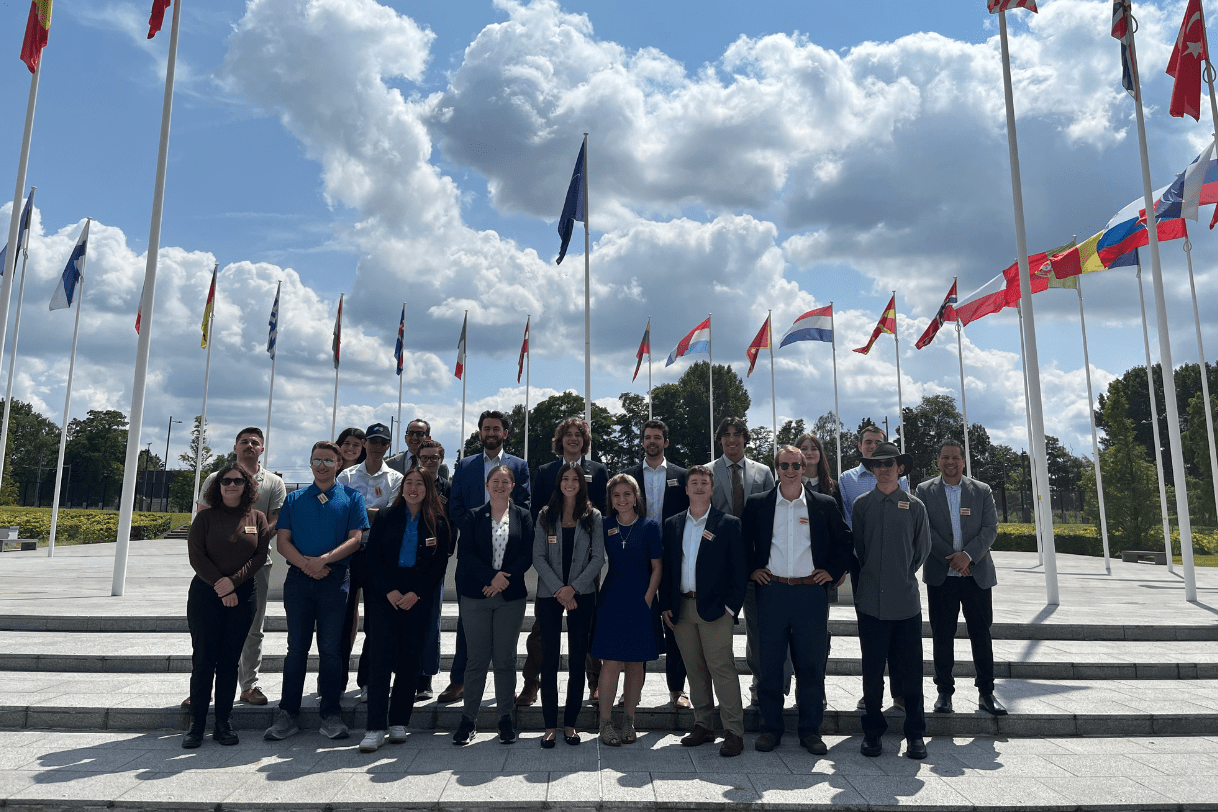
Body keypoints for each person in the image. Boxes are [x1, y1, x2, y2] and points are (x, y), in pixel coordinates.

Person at [742, 447, 853, 756]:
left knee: (811, 664)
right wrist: (753, 569)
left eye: (795, 464)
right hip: (772, 592)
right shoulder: (758, 505)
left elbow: (845, 542)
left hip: (809, 594)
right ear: (776, 468)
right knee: (770, 664)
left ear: (805, 468)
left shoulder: (823, 505)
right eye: (784, 464)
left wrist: (830, 572)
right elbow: (742, 543)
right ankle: (771, 728)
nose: (790, 469)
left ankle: (810, 730)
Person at [264, 441, 370, 742]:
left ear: (339, 464)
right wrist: (308, 565)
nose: (321, 465)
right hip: (299, 581)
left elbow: (356, 538)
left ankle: (331, 713)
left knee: (331, 649)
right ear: (310, 464)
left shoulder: (351, 498)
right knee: (296, 648)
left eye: (328, 460)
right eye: (316, 460)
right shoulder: (295, 498)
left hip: (335, 581)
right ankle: (288, 713)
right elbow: (283, 541)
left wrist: (324, 561)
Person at [184, 427, 286, 712]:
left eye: (255, 442)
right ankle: (202, 689)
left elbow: (275, 520)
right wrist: (220, 574)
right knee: (208, 633)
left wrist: (253, 544)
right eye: (244, 442)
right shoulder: (216, 478)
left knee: (253, 628)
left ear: (262, 449)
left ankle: (249, 685)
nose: (250, 446)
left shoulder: (274, 482)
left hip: (256, 566)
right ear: (235, 447)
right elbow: (203, 519)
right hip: (212, 572)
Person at [359, 468, 454, 752]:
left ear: (428, 489)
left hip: (417, 598)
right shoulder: (386, 517)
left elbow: (439, 565)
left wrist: (416, 593)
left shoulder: (438, 522)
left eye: (419, 484)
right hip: (384, 597)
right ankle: (375, 727)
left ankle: (399, 721)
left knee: (410, 661)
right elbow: (372, 558)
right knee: (380, 661)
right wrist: (389, 590)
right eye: (408, 483)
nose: (413, 489)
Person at [440, 410, 531, 705]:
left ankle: (506, 686)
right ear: (480, 432)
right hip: (472, 558)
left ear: (505, 433)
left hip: (508, 557)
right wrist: (479, 527)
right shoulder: (465, 465)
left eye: (496, 428)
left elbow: (526, 505)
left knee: (506, 635)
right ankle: (459, 681)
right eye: (486, 428)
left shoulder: (518, 465)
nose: (491, 433)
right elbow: (454, 506)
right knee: (468, 625)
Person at [519, 418, 608, 708]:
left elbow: (602, 516)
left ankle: (594, 681)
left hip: (585, 567)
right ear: (560, 440)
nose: (573, 439)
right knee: (542, 631)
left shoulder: (598, 470)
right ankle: (532, 683)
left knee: (591, 625)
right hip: (551, 568)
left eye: (578, 435)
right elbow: (537, 515)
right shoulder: (545, 471)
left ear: (585, 441)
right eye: (567, 435)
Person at [659, 465, 747, 758]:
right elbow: (668, 569)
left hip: (715, 610)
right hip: (682, 608)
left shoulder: (728, 524)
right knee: (695, 670)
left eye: (703, 482)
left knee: (721, 669)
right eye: (693, 482)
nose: (698, 487)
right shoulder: (672, 524)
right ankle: (703, 725)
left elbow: (739, 571)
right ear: (685, 489)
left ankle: (733, 731)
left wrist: (730, 608)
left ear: (712, 489)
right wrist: (666, 604)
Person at [183, 464, 272, 748]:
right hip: (205, 596)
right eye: (226, 481)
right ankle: (197, 724)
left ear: (247, 486)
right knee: (204, 659)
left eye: (237, 481)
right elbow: (196, 555)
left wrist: (232, 583)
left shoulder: (256, 518)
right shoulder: (205, 518)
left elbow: (260, 555)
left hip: (243, 595)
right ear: (217, 486)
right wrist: (220, 585)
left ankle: (223, 722)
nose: (231, 485)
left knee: (229, 660)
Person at [851, 442, 931, 760]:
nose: (884, 468)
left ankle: (915, 734)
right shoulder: (861, 505)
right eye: (878, 464)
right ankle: (872, 733)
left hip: (905, 603)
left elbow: (920, 552)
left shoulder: (915, 507)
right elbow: (858, 549)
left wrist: (898, 575)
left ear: (900, 468)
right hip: (870, 603)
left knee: (911, 673)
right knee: (872, 674)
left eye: (890, 463)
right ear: (872, 469)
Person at [916, 441, 1006, 717]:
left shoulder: (981, 491)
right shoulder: (924, 491)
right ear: (938, 461)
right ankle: (944, 693)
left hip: (976, 575)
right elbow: (925, 528)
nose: (950, 462)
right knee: (942, 635)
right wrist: (953, 558)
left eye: (955, 457)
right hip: (942, 575)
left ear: (963, 461)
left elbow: (990, 528)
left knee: (981, 634)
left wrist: (968, 556)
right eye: (945, 458)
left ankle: (986, 692)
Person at [452, 465, 534, 745]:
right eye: (495, 481)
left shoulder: (523, 515)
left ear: (513, 485)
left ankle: (505, 720)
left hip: (509, 598)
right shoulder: (473, 516)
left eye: (505, 481)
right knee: (475, 661)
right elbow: (467, 554)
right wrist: (491, 578)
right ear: (487, 485)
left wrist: (502, 581)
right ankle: (468, 720)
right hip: (477, 595)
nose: (500, 485)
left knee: (505, 660)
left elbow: (526, 554)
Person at [532, 463, 606, 747]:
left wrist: (573, 588)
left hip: (582, 594)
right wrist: (559, 590)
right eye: (565, 478)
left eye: (575, 479)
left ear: (581, 483)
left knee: (578, 659)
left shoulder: (593, 515)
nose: (570, 483)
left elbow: (598, 558)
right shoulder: (545, 515)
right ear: (558, 482)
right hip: (549, 594)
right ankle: (550, 725)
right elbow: (538, 557)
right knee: (549, 659)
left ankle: (570, 724)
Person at [837, 425, 909, 711]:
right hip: (862, 562)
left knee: (897, 628)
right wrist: (861, 554)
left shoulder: (899, 478)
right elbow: (846, 520)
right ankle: (872, 691)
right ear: (859, 447)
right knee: (870, 630)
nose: (871, 446)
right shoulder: (848, 480)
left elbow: (908, 519)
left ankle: (900, 691)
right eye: (867, 442)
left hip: (894, 563)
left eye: (877, 442)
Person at [621, 419, 689, 708]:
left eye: (657, 437)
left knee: (676, 624)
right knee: (639, 623)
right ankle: (631, 690)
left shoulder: (682, 476)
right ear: (643, 441)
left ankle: (677, 690)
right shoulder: (629, 476)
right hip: (640, 558)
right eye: (648, 437)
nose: (652, 441)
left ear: (666, 442)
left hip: (674, 558)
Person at [591, 474, 662, 746]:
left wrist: (647, 599)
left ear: (636, 497)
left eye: (627, 494)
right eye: (616, 495)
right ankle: (605, 722)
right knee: (610, 662)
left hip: (641, 600)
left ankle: (629, 720)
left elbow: (657, 567)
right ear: (611, 500)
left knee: (635, 663)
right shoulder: (604, 525)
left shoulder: (649, 526)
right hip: (612, 600)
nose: (622, 499)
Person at [336, 423, 404, 701]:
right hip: (348, 554)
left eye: (382, 442)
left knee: (376, 623)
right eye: (372, 441)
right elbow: (339, 511)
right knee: (342, 621)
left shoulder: (396, 478)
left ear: (388, 445)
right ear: (365, 444)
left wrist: (359, 513)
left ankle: (368, 681)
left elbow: (394, 514)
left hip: (380, 557)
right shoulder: (346, 475)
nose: (376, 446)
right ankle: (336, 682)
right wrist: (375, 514)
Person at [709, 417, 775, 706]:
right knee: (715, 633)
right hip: (720, 566)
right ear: (719, 440)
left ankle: (759, 688)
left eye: (737, 434)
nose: (732, 439)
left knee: (758, 631)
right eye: (726, 435)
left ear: (746, 438)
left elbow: (774, 516)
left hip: (756, 566)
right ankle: (718, 694)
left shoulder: (763, 472)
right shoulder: (706, 472)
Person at [414, 439, 450, 702]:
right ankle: (406, 673)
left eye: (433, 458)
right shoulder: (410, 483)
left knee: (430, 622)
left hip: (435, 562)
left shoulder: (448, 488)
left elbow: (454, 524)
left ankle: (425, 678)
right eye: (424, 458)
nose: (428, 462)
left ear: (441, 459)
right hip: (408, 562)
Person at [796, 433, 844, 517]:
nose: (809, 453)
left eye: (814, 449)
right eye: (804, 449)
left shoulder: (832, 486)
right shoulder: (783, 484)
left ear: (820, 453)